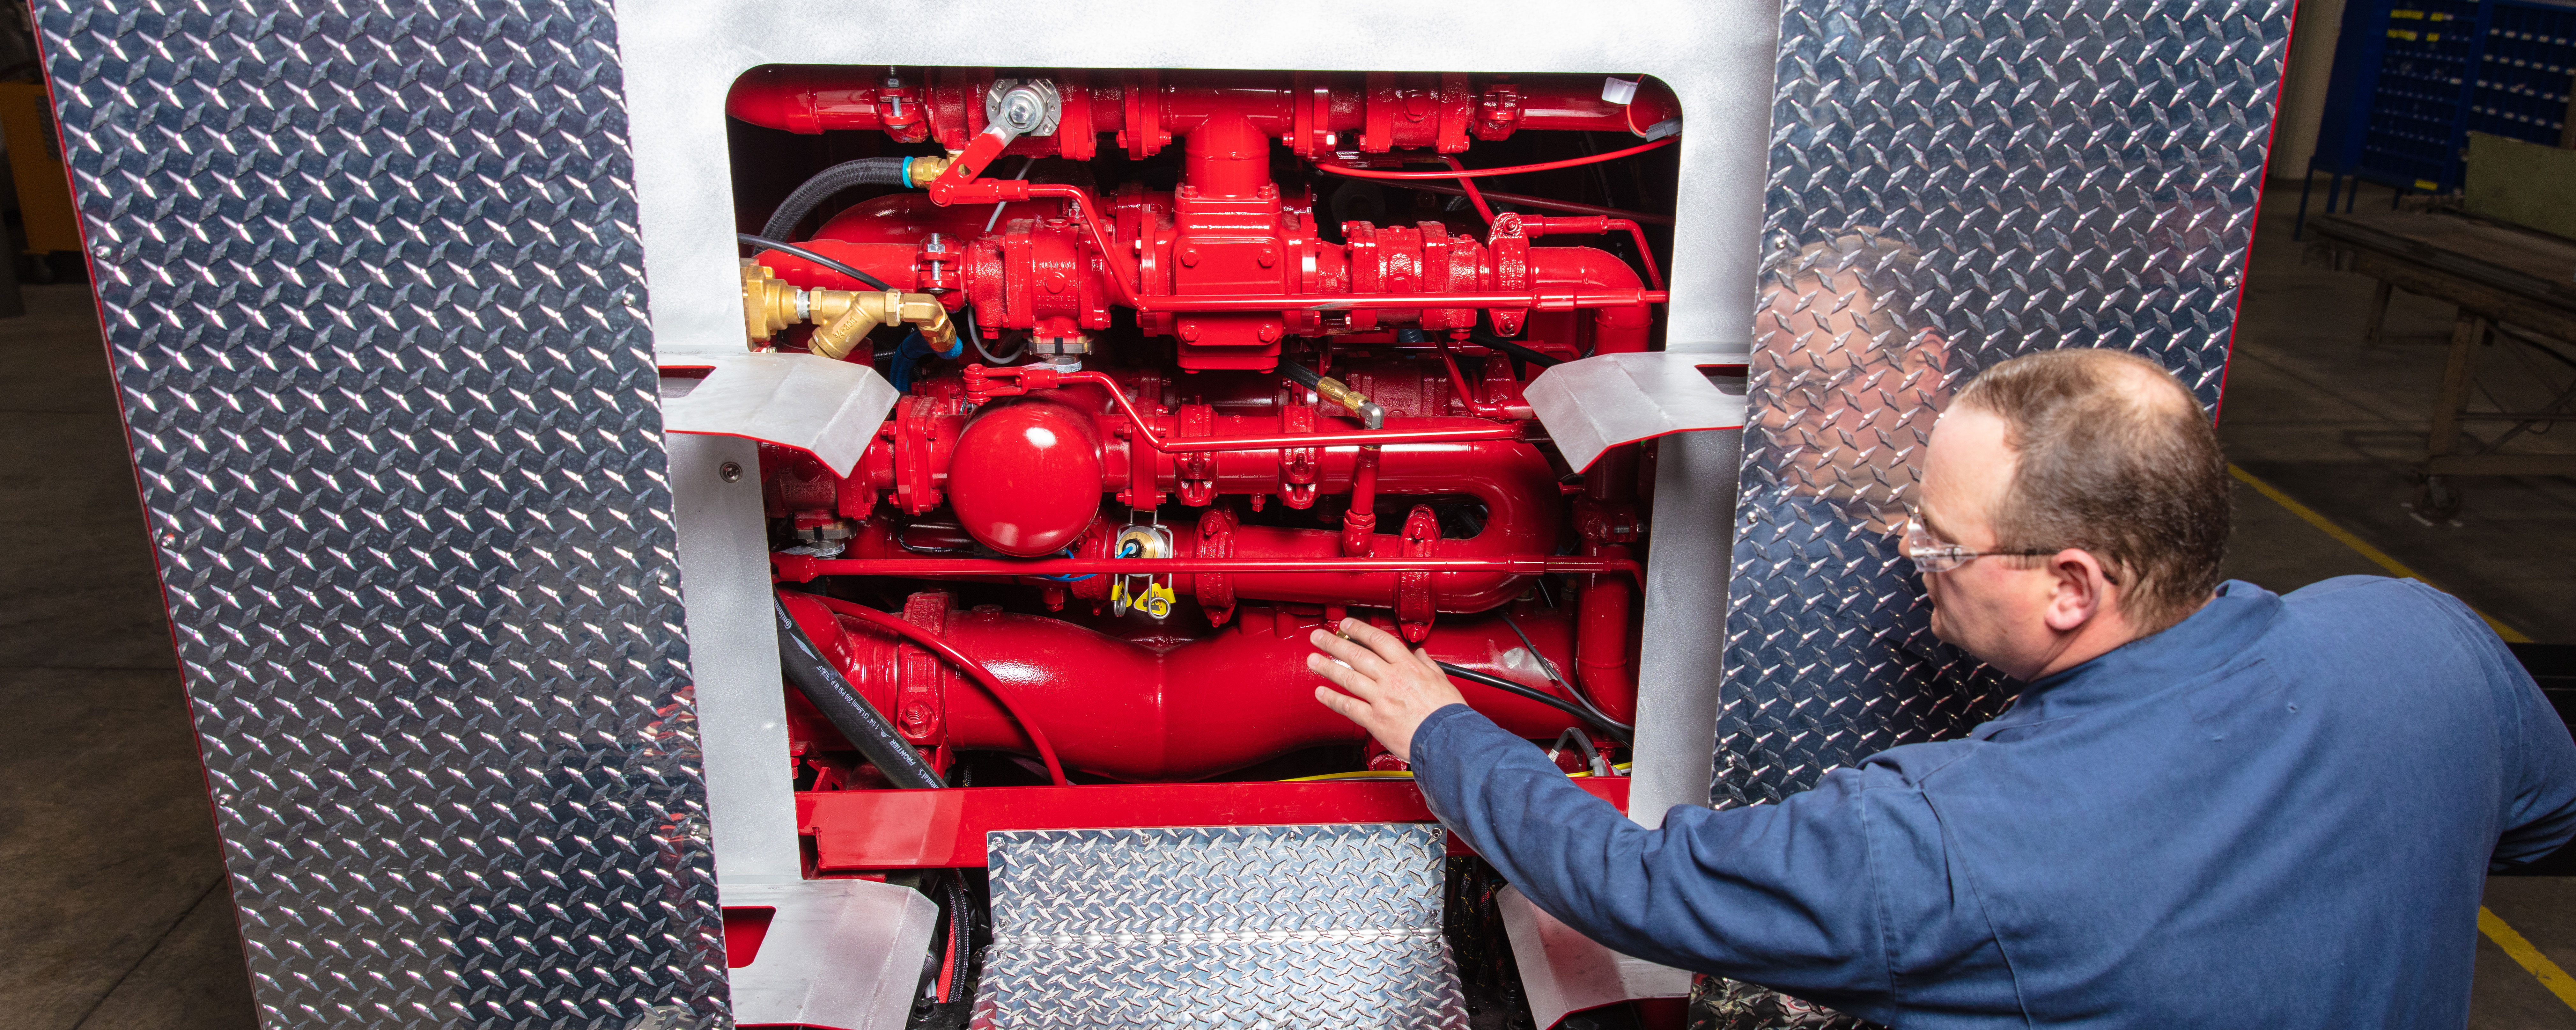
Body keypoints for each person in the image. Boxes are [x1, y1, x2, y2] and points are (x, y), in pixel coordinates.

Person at [1307, 347, 2576, 1027]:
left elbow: (1636, 887)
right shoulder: (2425, 642)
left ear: (2072, 585)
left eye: (1936, 542)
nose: (1909, 561)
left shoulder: (1943, 835)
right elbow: (2544, 821)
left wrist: (1440, 728)